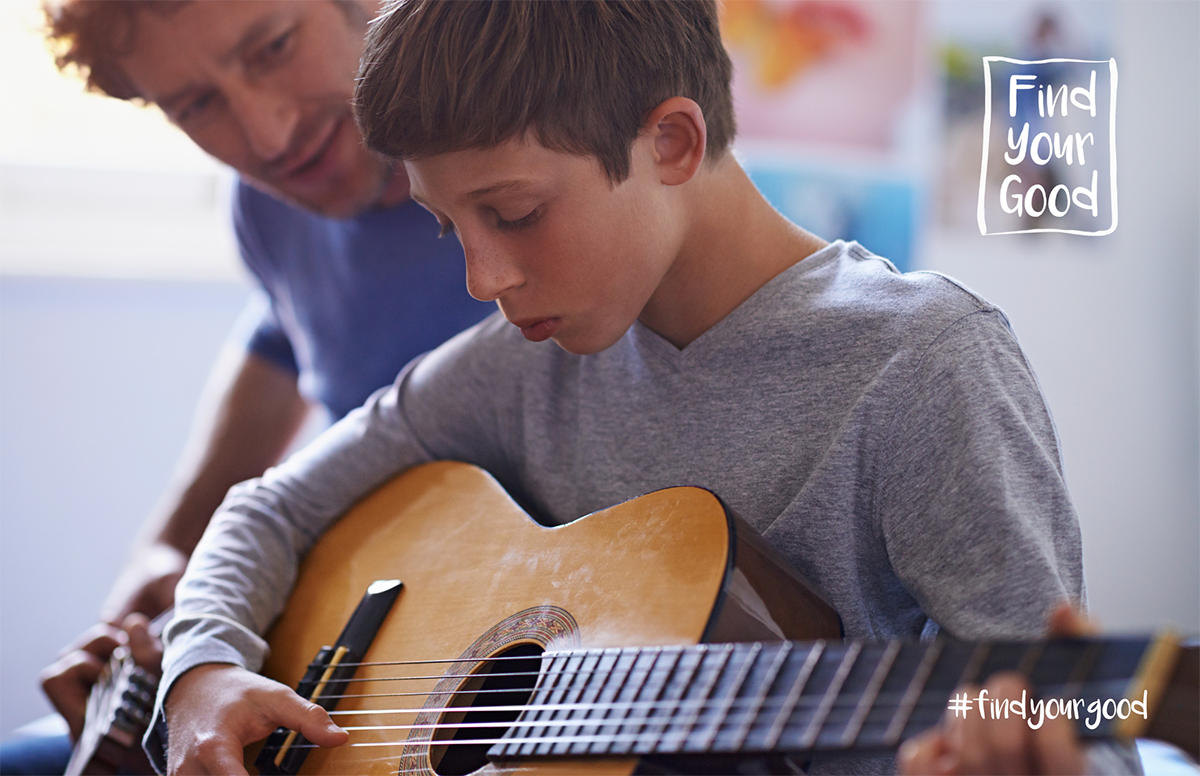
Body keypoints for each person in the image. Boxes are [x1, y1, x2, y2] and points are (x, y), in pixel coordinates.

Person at [143, 0, 1139, 775]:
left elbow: (1081, 723)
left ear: (671, 143)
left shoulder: (921, 365)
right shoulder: (521, 363)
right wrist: (199, 667)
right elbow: (269, 506)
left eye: (516, 212)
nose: (481, 280)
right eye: (453, 227)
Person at [10, 0, 493, 770]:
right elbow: (279, 346)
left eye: (271, 48)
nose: (269, 138)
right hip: (354, 666)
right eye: (196, 104)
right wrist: (160, 575)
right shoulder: (272, 210)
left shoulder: (545, 180)